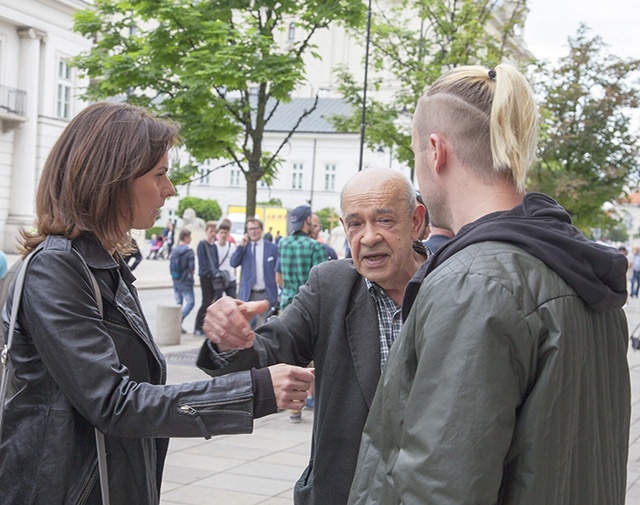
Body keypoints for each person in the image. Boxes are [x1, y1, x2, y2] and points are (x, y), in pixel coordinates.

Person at [0, 102, 314, 505]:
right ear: (111, 180)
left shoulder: (102, 264)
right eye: (159, 175)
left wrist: (224, 344)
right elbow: (115, 402)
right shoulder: (57, 268)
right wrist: (255, 391)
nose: (170, 189)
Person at [348, 64, 630, 505]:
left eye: (416, 155)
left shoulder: (473, 284)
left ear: (436, 151)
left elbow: (441, 489)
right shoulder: (581, 269)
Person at [197, 168, 428, 505]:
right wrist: (229, 339)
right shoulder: (330, 285)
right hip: (344, 490)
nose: (368, 237)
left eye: (385, 221)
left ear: (416, 220)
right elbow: (271, 345)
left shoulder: (452, 283)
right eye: (355, 223)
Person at [230, 217, 278, 328]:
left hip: (266, 292)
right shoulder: (244, 247)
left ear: (261, 230)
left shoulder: (272, 248)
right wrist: (241, 246)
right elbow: (233, 263)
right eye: (250, 229)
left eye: (255, 228)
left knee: (268, 325)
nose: (253, 232)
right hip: (249, 292)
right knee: (247, 326)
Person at [277, 205, 327, 311]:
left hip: (286, 306)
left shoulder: (283, 243)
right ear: (308, 220)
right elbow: (323, 282)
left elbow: (278, 277)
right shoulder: (315, 246)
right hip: (308, 308)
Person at [194, 221, 219, 336]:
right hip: (205, 277)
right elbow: (202, 262)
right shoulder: (202, 244)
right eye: (211, 231)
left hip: (214, 277)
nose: (213, 234)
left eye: (214, 231)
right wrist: (210, 272)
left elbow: (216, 262)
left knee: (212, 303)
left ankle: (206, 326)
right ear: (206, 231)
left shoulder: (214, 246)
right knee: (206, 302)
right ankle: (198, 325)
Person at [170, 228, 196, 332]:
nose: (190, 239)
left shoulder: (174, 250)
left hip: (176, 279)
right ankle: (178, 320)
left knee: (178, 304)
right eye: (189, 237)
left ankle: (178, 326)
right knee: (191, 302)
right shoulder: (189, 251)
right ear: (185, 237)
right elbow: (192, 267)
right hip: (186, 281)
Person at [214, 220, 238, 299]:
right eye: (222, 233)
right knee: (217, 303)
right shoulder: (214, 246)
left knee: (233, 302)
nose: (223, 235)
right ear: (218, 234)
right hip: (218, 278)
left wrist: (234, 275)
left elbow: (234, 262)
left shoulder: (232, 246)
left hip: (230, 278)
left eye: (226, 233)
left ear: (228, 234)